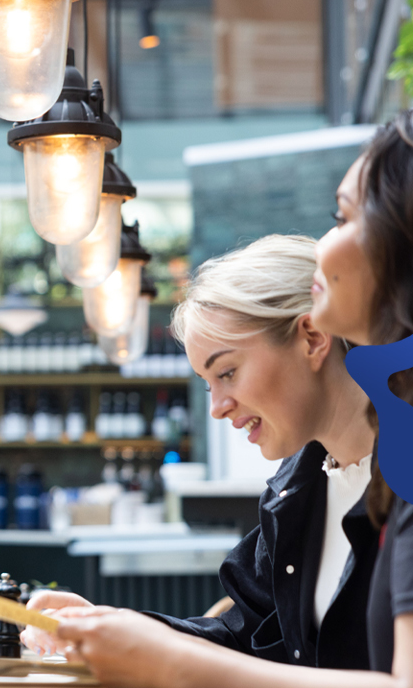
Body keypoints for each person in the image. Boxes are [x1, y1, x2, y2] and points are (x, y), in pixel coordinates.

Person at [47, 106, 413, 688]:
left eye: (344, 217)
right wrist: (111, 631)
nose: (324, 245)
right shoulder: (319, 479)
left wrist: (169, 661)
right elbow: (253, 639)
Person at [27, 234, 377, 670]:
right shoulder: (295, 493)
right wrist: (111, 625)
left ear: (312, 337)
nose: (216, 408)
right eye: (208, 384)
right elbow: (243, 639)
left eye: (227, 372)